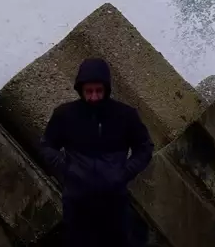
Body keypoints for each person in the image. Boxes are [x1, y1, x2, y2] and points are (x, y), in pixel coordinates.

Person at [38, 57, 154, 246]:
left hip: (114, 202)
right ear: (80, 89)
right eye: (89, 91)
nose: (93, 97)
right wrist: (67, 170)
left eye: (99, 91)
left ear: (106, 89)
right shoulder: (65, 114)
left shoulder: (125, 115)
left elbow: (145, 147)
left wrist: (124, 172)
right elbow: (47, 145)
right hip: (77, 203)